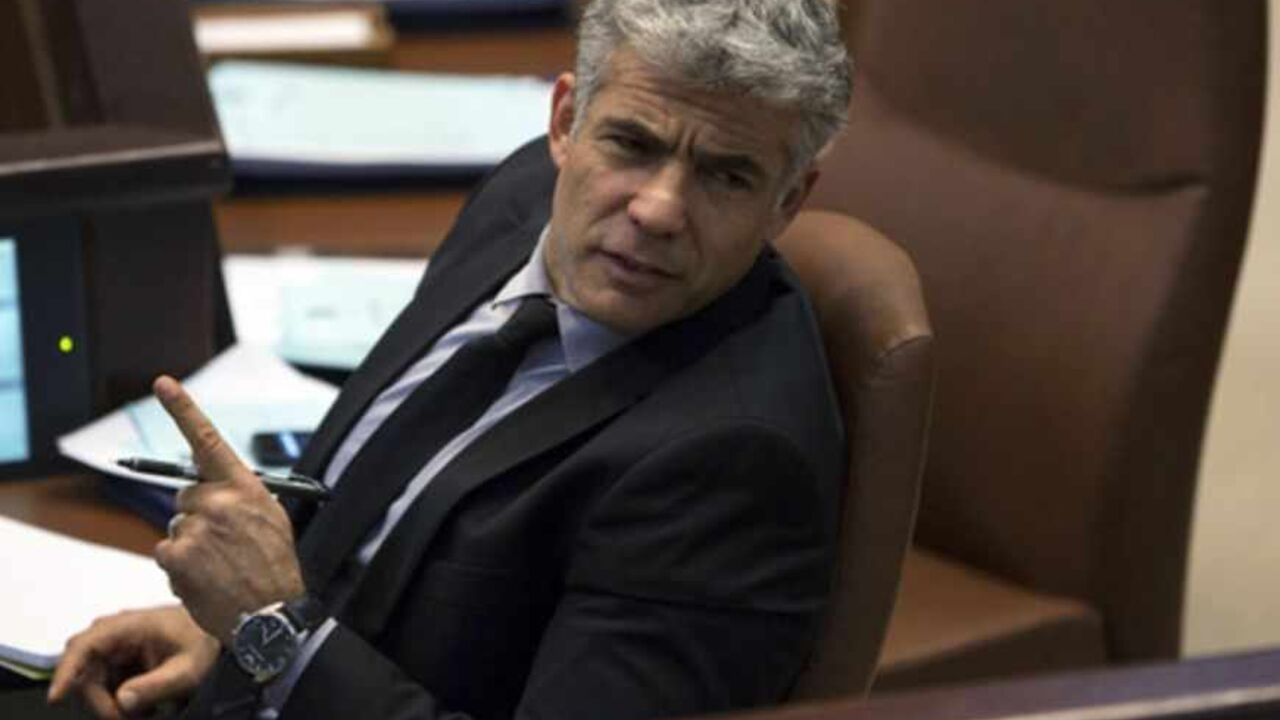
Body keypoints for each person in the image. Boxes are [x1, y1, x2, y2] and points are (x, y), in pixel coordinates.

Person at [47, 0, 852, 718]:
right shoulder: (523, 201)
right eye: (632, 144)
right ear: (565, 123)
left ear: (789, 199)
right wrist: (220, 637)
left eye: (727, 176)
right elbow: (376, 528)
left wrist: (272, 634)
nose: (658, 209)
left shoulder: (734, 466)